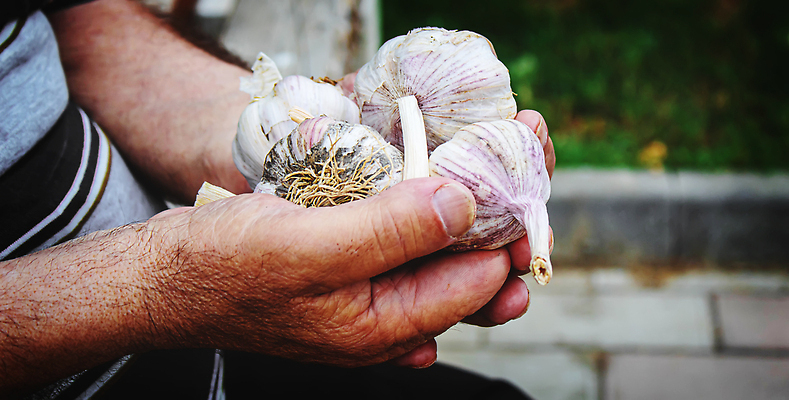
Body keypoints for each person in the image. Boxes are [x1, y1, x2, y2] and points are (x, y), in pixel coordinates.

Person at [0, 0, 557, 398]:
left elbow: (80, 30)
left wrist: (261, 149)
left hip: (212, 345)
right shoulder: (178, 288)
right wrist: (164, 288)